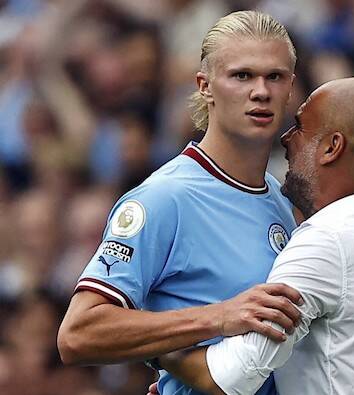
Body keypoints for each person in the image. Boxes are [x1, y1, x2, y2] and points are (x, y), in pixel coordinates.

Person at [57, 11, 304, 395]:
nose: (261, 91)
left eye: (275, 76)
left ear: (290, 88)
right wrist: (217, 317)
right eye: (242, 76)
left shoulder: (282, 202)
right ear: (205, 86)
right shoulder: (164, 197)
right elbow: (77, 333)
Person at [151, 77, 354, 395]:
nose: (285, 138)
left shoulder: (326, 242)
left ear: (331, 148)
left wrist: (160, 348)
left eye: (299, 127)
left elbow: (230, 377)